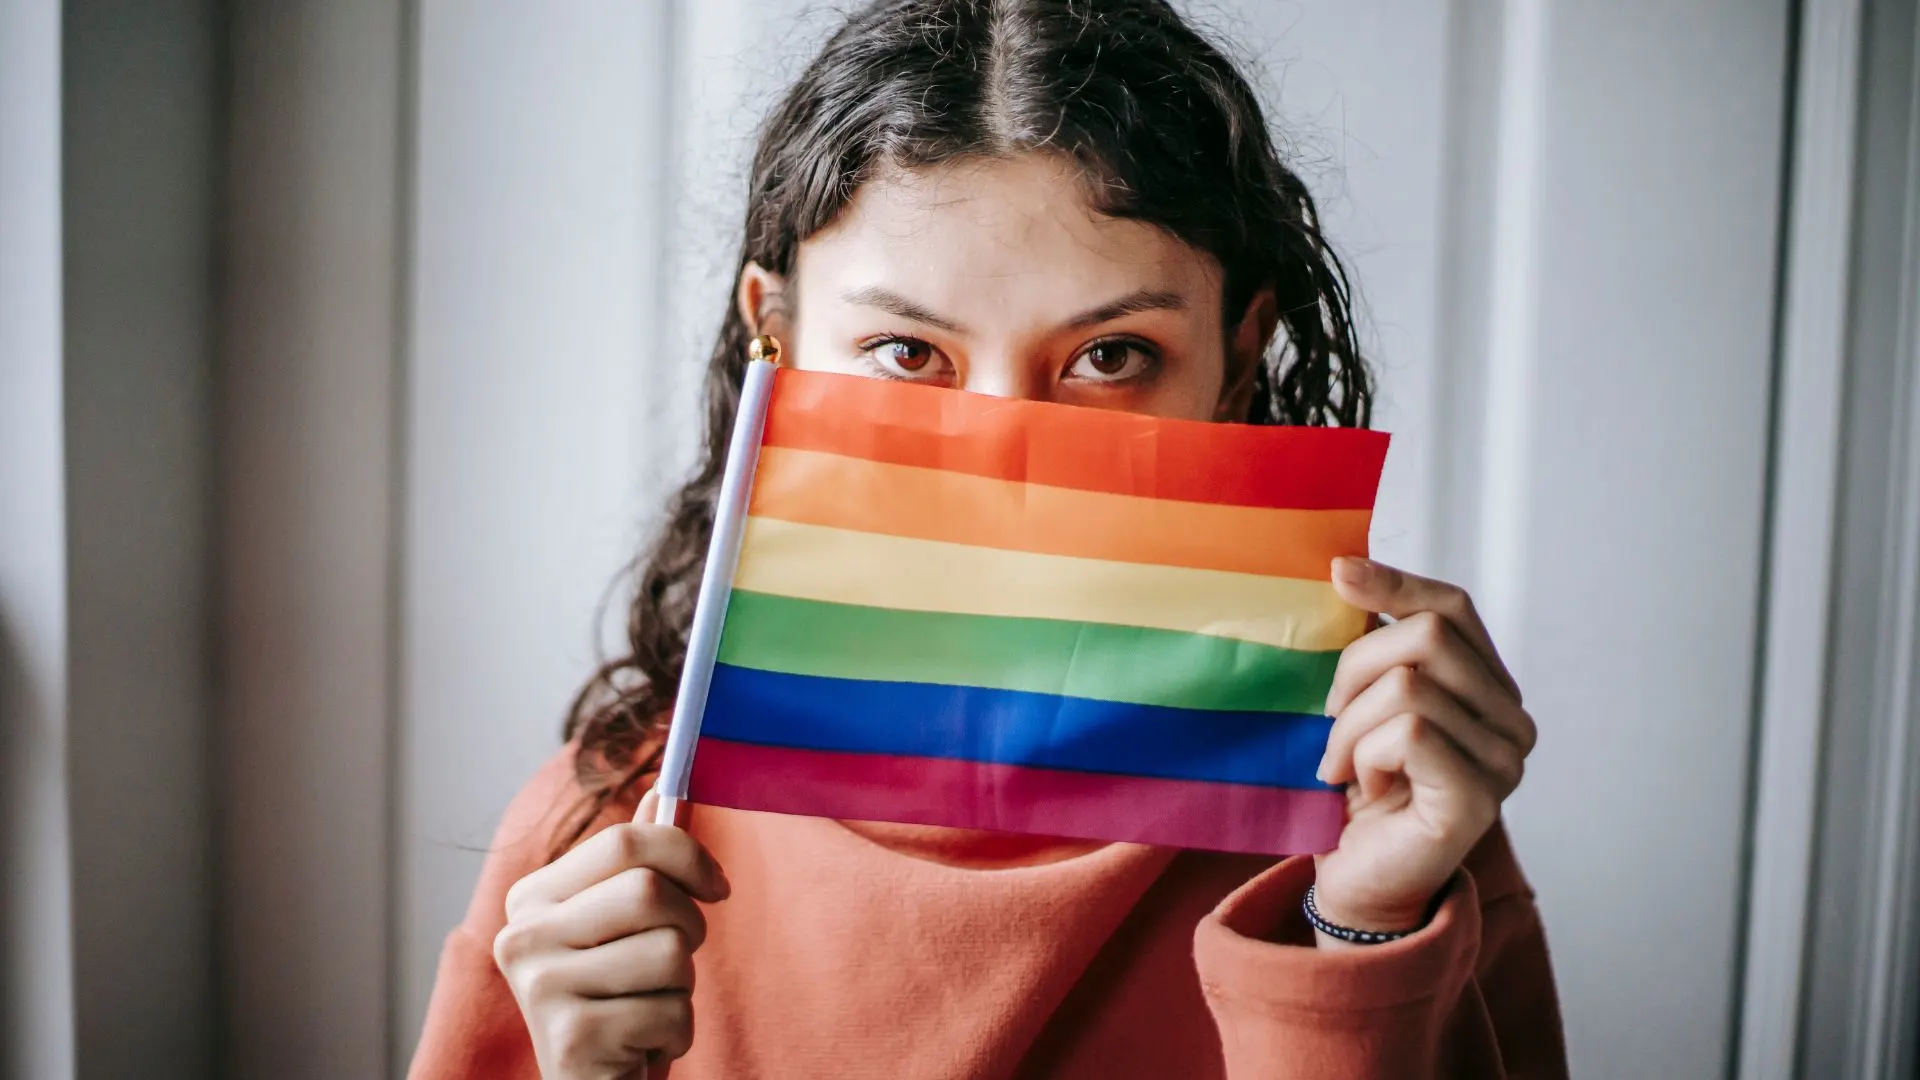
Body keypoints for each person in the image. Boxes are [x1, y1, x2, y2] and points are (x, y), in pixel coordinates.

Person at [408, 1, 1565, 1076]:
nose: (1004, 453)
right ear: (776, 335)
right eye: (909, 354)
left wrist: (1361, 932)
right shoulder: (602, 832)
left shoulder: (1384, 821)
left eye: (1110, 356)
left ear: (1239, 353)